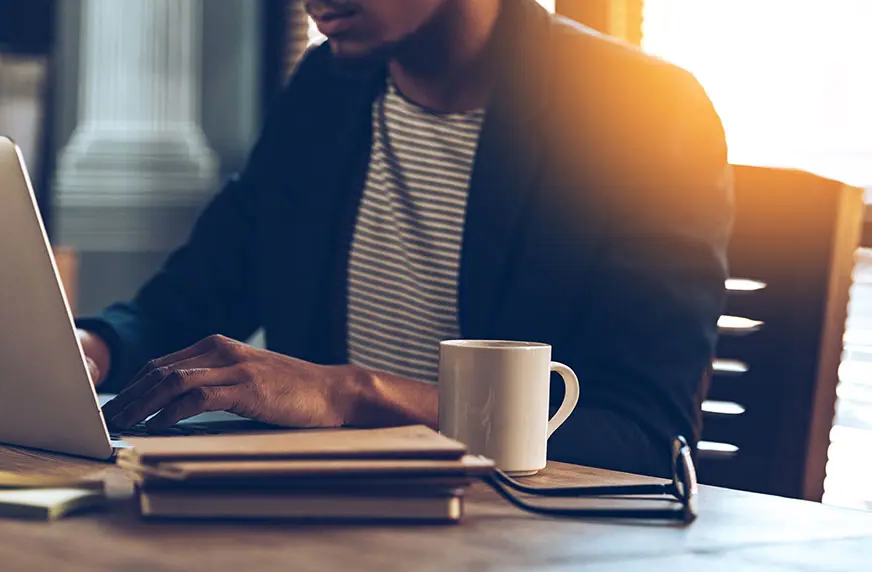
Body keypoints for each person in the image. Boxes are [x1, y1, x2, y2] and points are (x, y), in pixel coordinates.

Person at [81, 0, 732, 477]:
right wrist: (94, 347)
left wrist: (351, 395)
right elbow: (196, 298)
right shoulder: (325, 89)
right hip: (327, 517)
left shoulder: (645, 108)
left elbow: (646, 435)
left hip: (520, 536)